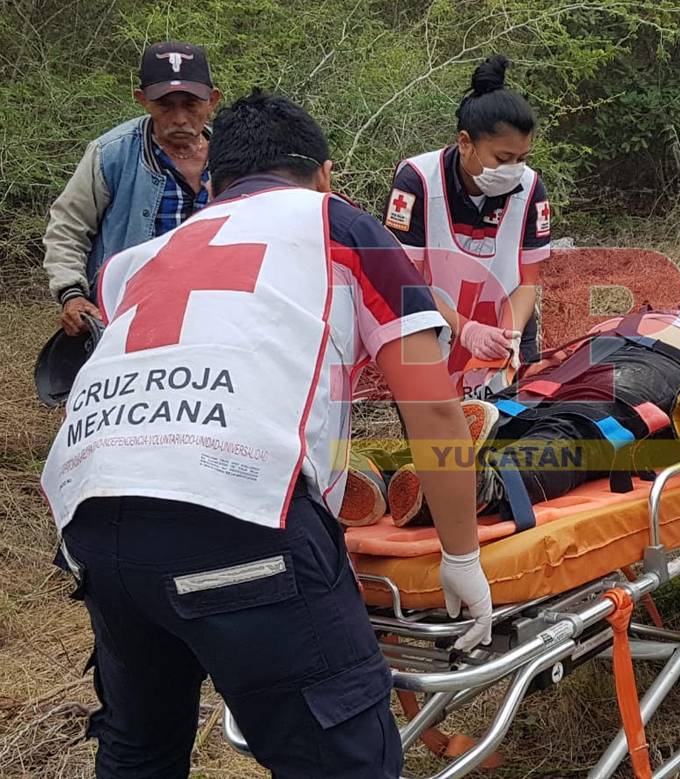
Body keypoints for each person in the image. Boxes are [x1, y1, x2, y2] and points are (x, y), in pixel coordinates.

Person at [39, 91, 493, 778]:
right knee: (348, 763)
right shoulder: (342, 227)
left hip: (93, 524)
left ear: (214, 183)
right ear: (325, 175)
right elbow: (434, 410)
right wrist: (461, 554)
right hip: (239, 516)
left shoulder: (137, 261)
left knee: (138, 752)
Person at [382, 304, 680, 527]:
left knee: (587, 425)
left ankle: (485, 487)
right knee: (515, 408)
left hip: (675, 369)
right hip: (602, 350)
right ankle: (389, 479)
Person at [383, 55, 551, 398]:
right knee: (436, 437)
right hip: (430, 325)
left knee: (509, 431)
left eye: (522, 159)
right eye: (502, 159)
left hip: (505, 322)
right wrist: (466, 329)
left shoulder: (531, 189)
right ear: (465, 143)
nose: (513, 169)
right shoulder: (416, 182)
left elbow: (527, 281)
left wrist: (509, 339)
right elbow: (407, 279)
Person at [43, 41, 220, 337]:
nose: (179, 119)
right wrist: (72, 294)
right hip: (126, 312)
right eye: (165, 105)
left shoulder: (233, 158)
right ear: (142, 100)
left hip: (211, 311)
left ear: (212, 101)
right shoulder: (112, 153)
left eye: (190, 105)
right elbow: (67, 227)